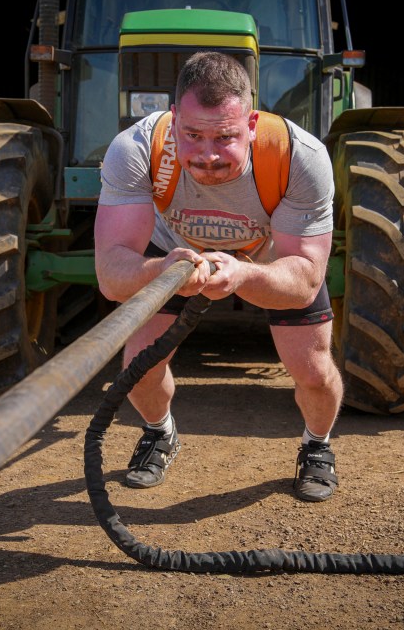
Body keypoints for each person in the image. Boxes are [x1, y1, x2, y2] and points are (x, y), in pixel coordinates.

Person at [93, 51, 343, 502]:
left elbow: (305, 278)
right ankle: (159, 433)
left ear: (251, 124)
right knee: (139, 367)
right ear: (173, 120)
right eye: (192, 135)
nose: (208, 156)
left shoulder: (299, 157)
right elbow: (112, 274)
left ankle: (317, 444)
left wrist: (243, 272)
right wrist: (163, 269)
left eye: (225, 137)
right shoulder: (136, 149)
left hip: (271, 257)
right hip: (172, 251)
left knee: (313, 373)